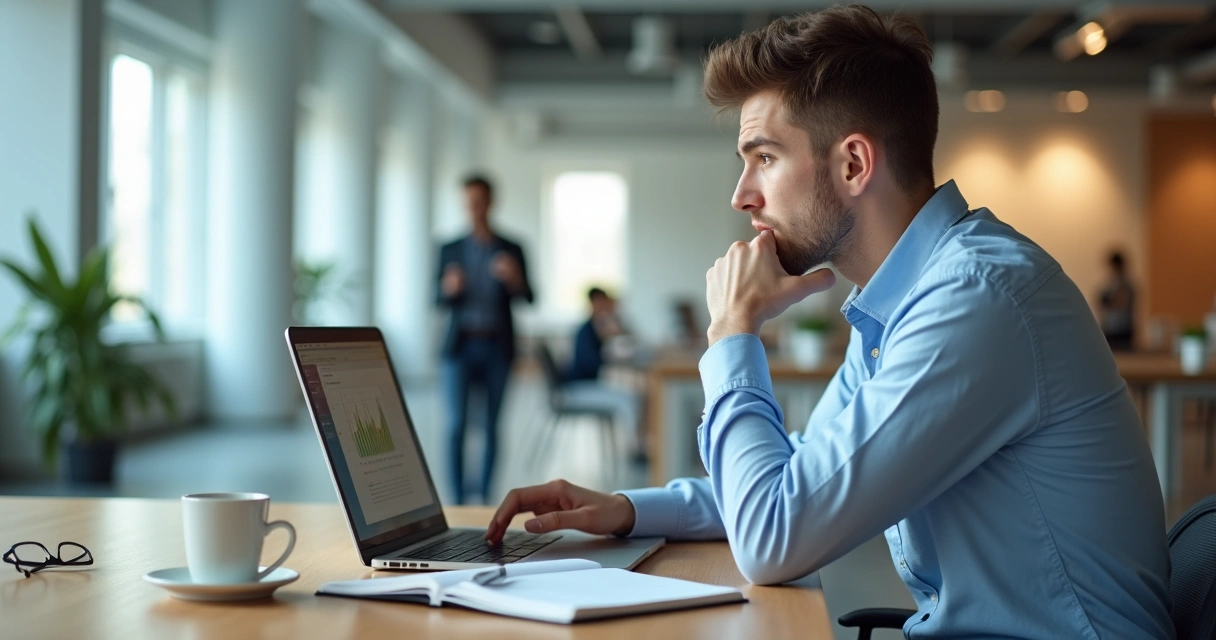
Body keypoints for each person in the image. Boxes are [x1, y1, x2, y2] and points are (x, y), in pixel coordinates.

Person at [484, 7, 1172, 639]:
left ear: (852, 164)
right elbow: (802, 477)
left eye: (765, 157)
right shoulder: (905, 300)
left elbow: (774, 538)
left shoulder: (974, 300)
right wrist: (630, 510)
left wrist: (734, 334)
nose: (742, 195)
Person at [437, 175, 533, 504]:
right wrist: (447, 290)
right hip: (460, 347)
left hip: (497, 347)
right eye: (468, 202)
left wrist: (515, 279)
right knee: (456, 425)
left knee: (492, 425)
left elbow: (530, 297)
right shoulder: (449, 248)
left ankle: (486, 497)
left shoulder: (512, 248)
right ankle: (458, 499)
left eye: (479, 201)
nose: (474, 209)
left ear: (491, 202)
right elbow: (435, 299)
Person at [560, 288, 644, 458]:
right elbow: (591, 362)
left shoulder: (595, 327)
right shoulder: (587, 330)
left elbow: (628, 339)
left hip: (584, 385)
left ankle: (637, 445)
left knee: (633, 396)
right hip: (576, 389)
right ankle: (634, 450)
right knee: (628, 400)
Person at [1099, 250, 1137, 351]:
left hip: (1122, 331)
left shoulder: (1126, 286)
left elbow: (1121, 304)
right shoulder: (1110, 285)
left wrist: (1109, 301)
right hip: (1110, 329)